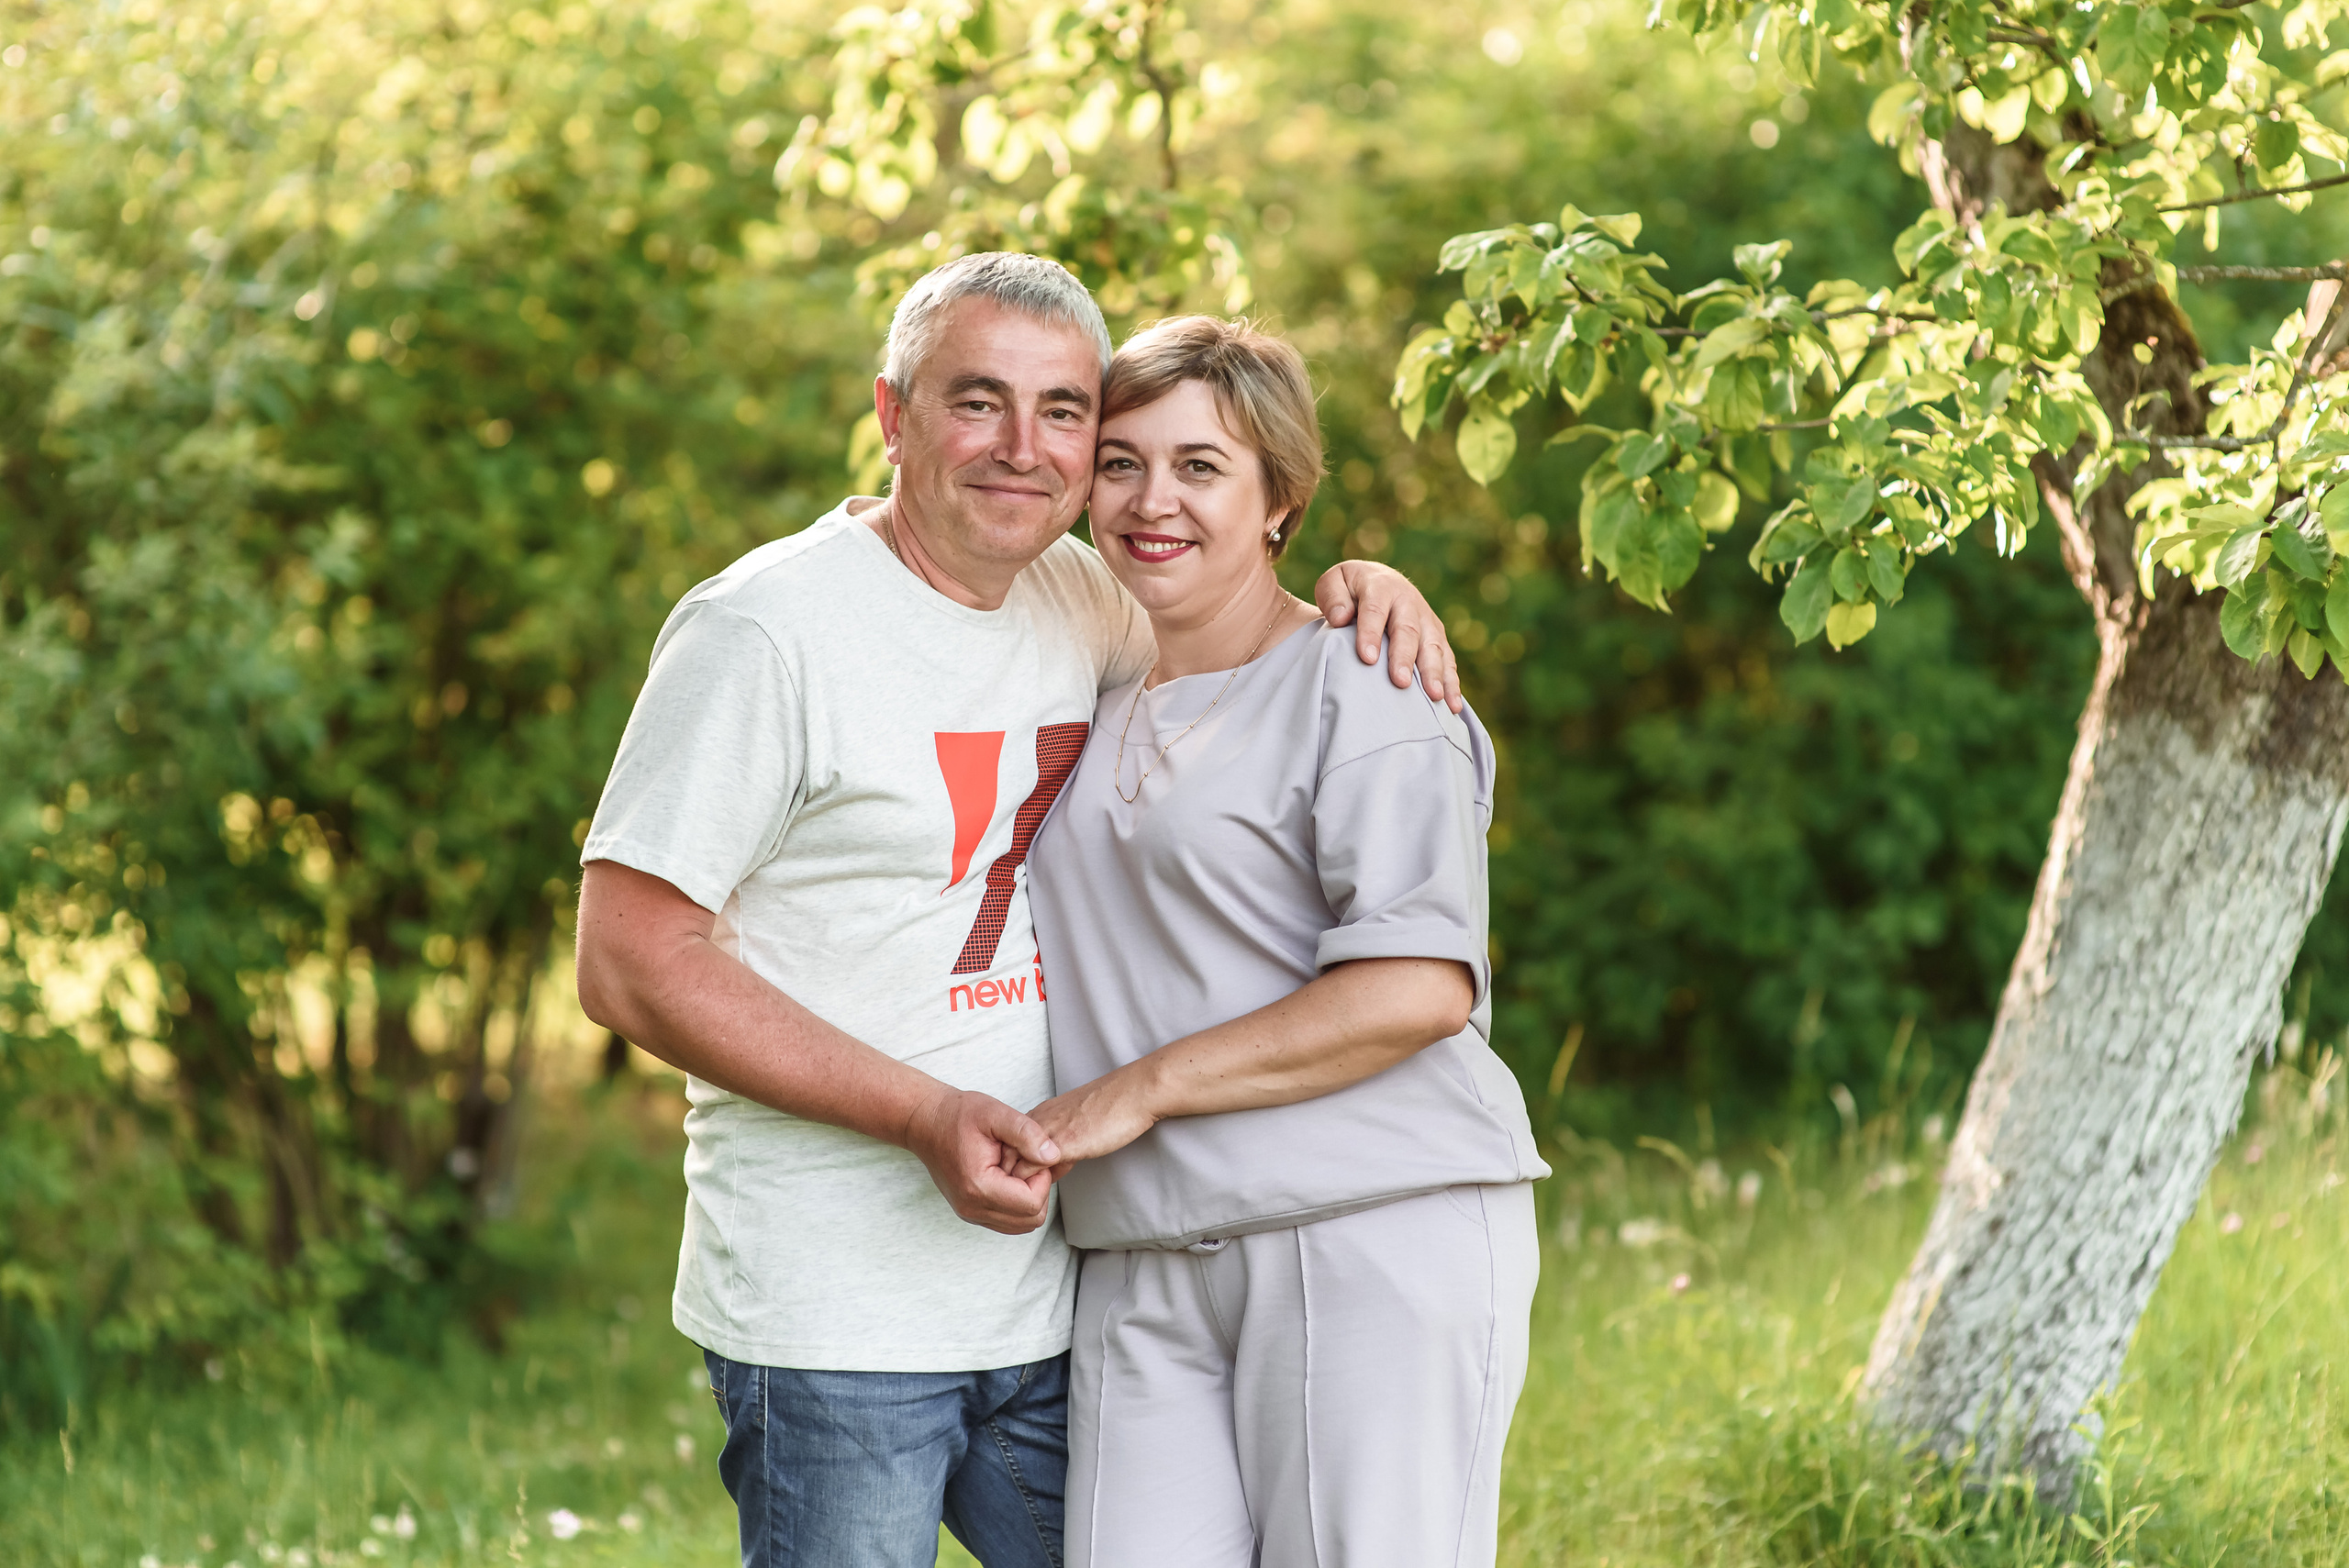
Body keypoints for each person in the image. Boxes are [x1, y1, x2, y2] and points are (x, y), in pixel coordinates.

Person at [572, 254, 1459, 1568]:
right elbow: (629, 961)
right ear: (894, 413)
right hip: (837, 1315)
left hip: (1057, 1293)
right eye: (977, 401)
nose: (1022, 447)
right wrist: (921, 1115)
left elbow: (1240, 635)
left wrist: (1364, 585)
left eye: (1063, 411)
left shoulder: (1081, 597)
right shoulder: (766, 631)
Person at [1022, 316, 1549, 1568]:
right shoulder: (1087, 694)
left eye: (1201, 466)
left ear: (1281, 503)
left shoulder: (1363, 678)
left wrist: (1137, 1091)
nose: (1153, 499)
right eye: (1122, 463)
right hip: (1141, 1252)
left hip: (1369, 1223)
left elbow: (1417, 986)